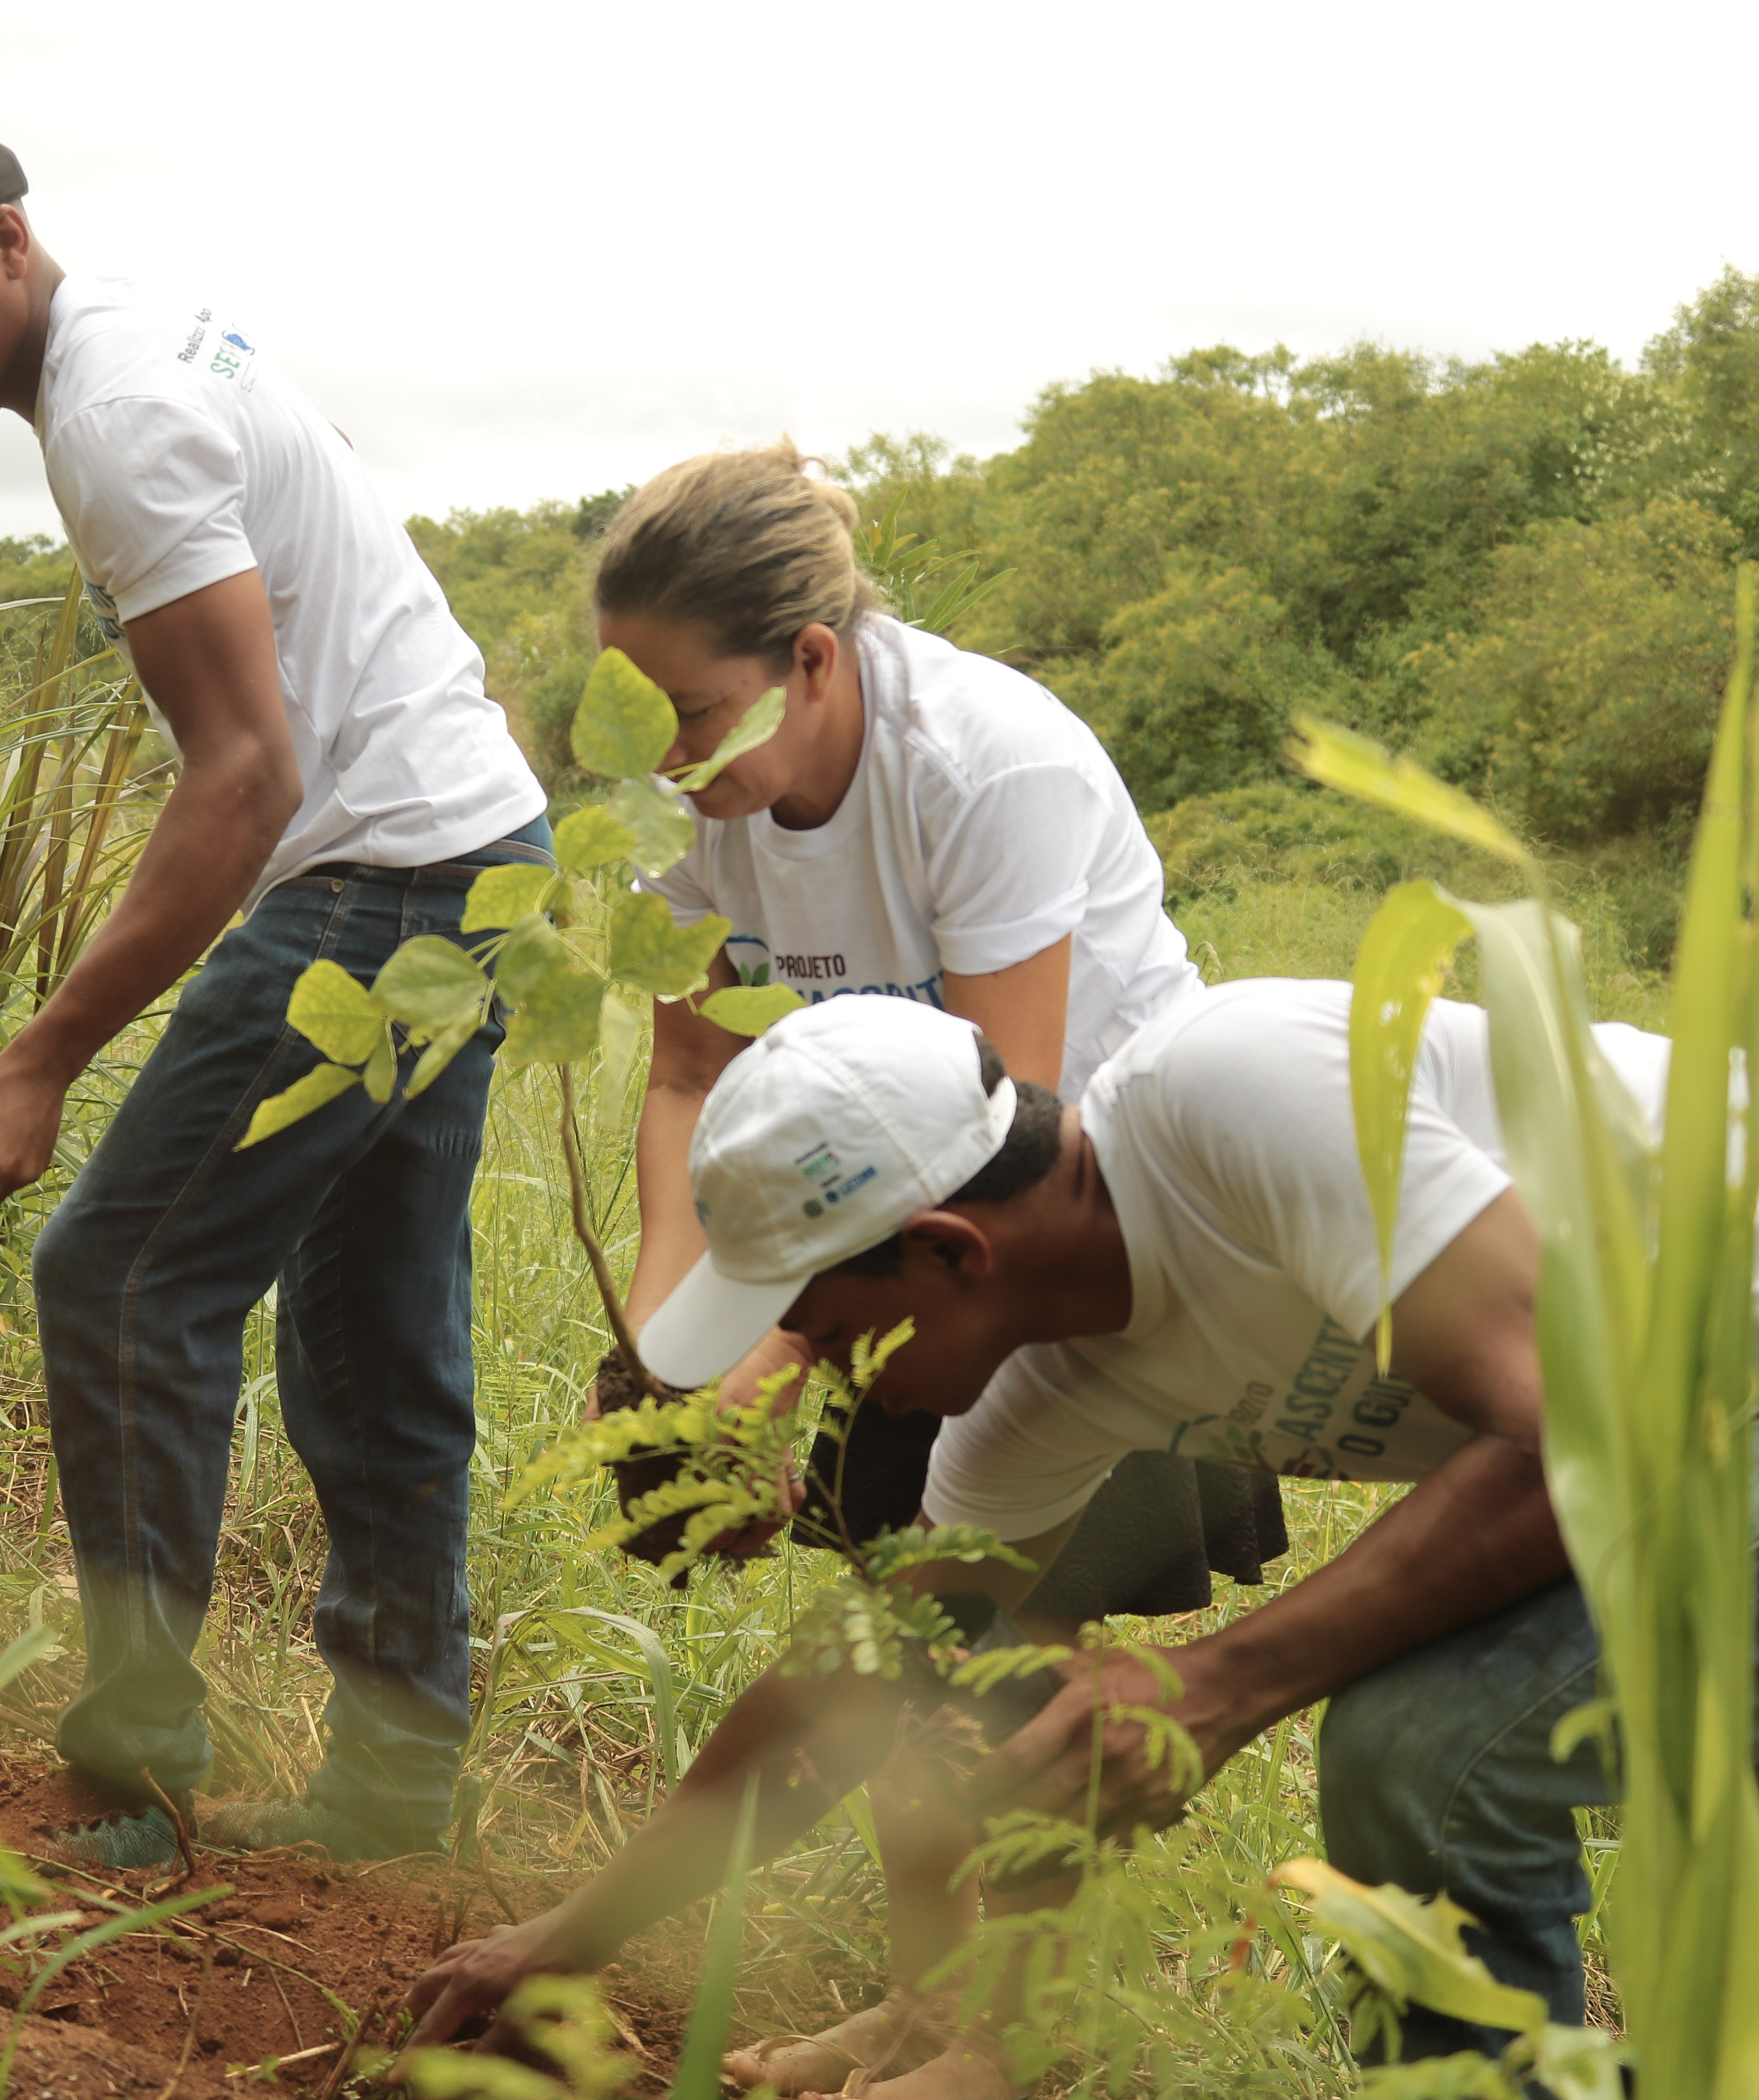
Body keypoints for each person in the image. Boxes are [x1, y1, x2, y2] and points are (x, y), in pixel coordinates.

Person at [405, 989, 1759, 2100]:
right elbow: (873, 1684)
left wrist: (1214, 1678)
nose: (807, 1366)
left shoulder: (1238, 1091)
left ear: (948, 1251)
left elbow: (1597, 1425)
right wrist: (571, 1932)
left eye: (811, 1314)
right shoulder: (1046, 1394)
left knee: (1430, 1746)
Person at [0, 88, 550, 1862]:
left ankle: (135, 1783)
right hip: (484, 857)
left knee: (118, 1278)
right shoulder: (132, 354)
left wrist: (35, 1060)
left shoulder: (112, 409)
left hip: (388, 877)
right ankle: (399, 1791)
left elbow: (245, 774)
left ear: (9, 237)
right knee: (377, 1335)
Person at [587, 444, 1285, 2088]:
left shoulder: (984, 766)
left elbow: (993, 1138)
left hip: (1070, 1237)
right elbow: (691, 1078)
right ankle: (928, 2012)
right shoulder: (698, 805)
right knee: (891, 1615)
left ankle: (1007, 2037)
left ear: (812, 663)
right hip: (874, 1222)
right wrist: (676, 1360)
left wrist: (773, 1378)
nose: (669, 761)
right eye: (639, 721)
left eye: (693, 715)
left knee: (996, 1650)